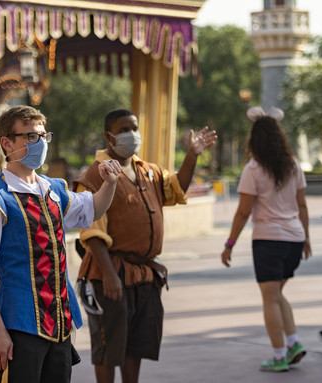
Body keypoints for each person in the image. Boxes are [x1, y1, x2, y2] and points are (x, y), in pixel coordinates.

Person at [0, 105, 121, 383]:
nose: (39, 143)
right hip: (20, 325)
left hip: (59, 323)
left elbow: (92, 210)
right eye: (29, 137)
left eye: (42, 136)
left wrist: (109, 184)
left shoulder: (54, 189)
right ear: (6, 143)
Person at [74, 109, 217, 383]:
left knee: (135, 344)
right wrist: (109, 276)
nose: (131, 134)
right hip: (109, 274)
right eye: (124, 129)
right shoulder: (95, 176)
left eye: (134, 127)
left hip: (144, 274)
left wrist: (192, 154)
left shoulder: (148, 171)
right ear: (109, 136)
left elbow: (176, 188)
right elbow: (92, 232)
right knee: (108, 345)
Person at [220, 106, 311, 372]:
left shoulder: (254, 167)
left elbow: (243, 211)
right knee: (276, 294)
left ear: (254, 139)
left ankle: (279, 355)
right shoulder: (293, 165)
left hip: (269, 240)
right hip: (294, 238)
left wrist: (229, 244)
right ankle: (293, 343)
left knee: (269, 298)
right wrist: (306, 238)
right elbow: (302, 205)